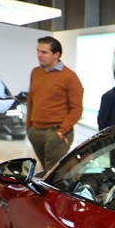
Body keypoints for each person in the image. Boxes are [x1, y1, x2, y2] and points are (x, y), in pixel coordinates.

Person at [26, 36, 84, 172]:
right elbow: (31, 100)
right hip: (36, 131)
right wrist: (29, 127)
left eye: (44, 52)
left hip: (56, 132)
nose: (39, 55)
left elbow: (76, 109)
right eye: (38, 51)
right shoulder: (36, 72)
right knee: (47, 171)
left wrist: (62, 131)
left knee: (54, 173)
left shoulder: (69, 77)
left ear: (56, 54)